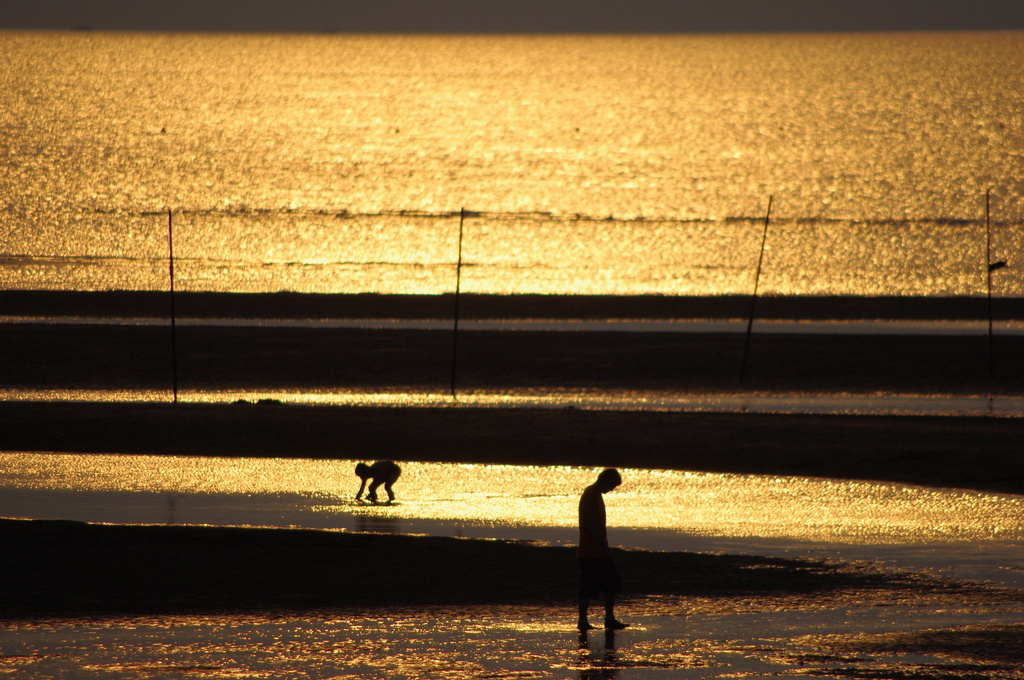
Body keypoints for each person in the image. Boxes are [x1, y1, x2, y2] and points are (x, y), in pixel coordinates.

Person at [577, 467, 628, 631]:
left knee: (610, 583)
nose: (612, 489)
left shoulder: (595, 495)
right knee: (588, 586)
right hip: (590, 551)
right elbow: (592, 525)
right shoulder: (591, 496)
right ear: (605, 481)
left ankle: (608, 619)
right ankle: (583, 621)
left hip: (597, 549)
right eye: (612, 486)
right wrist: (604, 546)